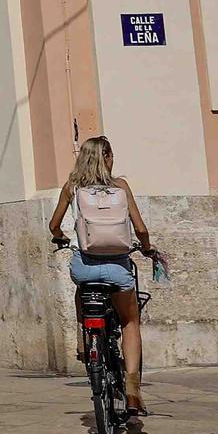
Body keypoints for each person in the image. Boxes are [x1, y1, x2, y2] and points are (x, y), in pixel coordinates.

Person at [48, 135, 162, 414]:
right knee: (130, 322)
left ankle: (84, 341)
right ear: (108, 157)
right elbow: (141, 229)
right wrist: (147, 249)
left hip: (84, 265)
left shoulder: (71, 188)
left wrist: (61, 237)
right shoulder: (120, 187)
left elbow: (54, 225)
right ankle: (133, 392)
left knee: (83, 289)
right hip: (118, 267)